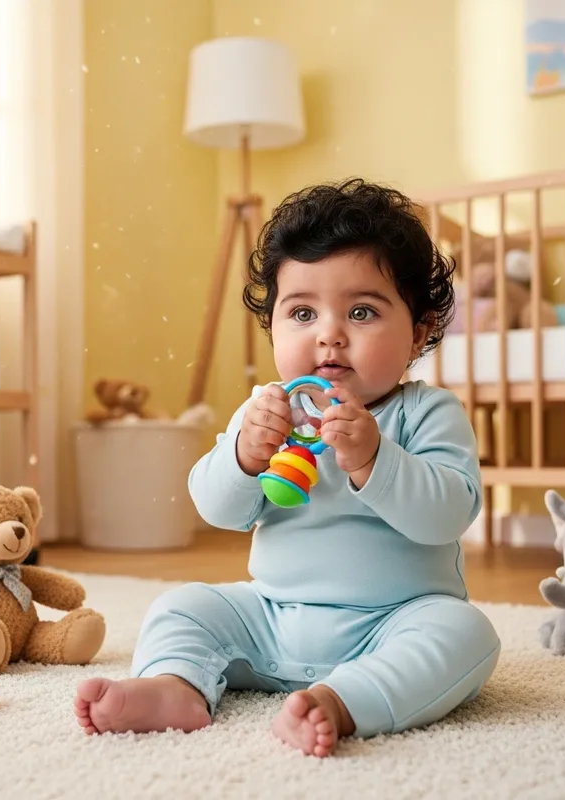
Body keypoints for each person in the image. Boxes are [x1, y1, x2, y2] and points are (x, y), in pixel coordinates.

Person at [73, 178, 501, 757]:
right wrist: (245, 456)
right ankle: (176, 687)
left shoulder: (427, 412)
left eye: (361, 311)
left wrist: (375, 459)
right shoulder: (269, 410)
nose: (329, 335)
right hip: (271, 620)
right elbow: (217, 508)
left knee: (466, 634)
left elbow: (447, 516)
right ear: (272, 325)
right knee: (183, 606)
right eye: (302, 312)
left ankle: (342, 702)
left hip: (393, 622)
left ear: (417, 334)